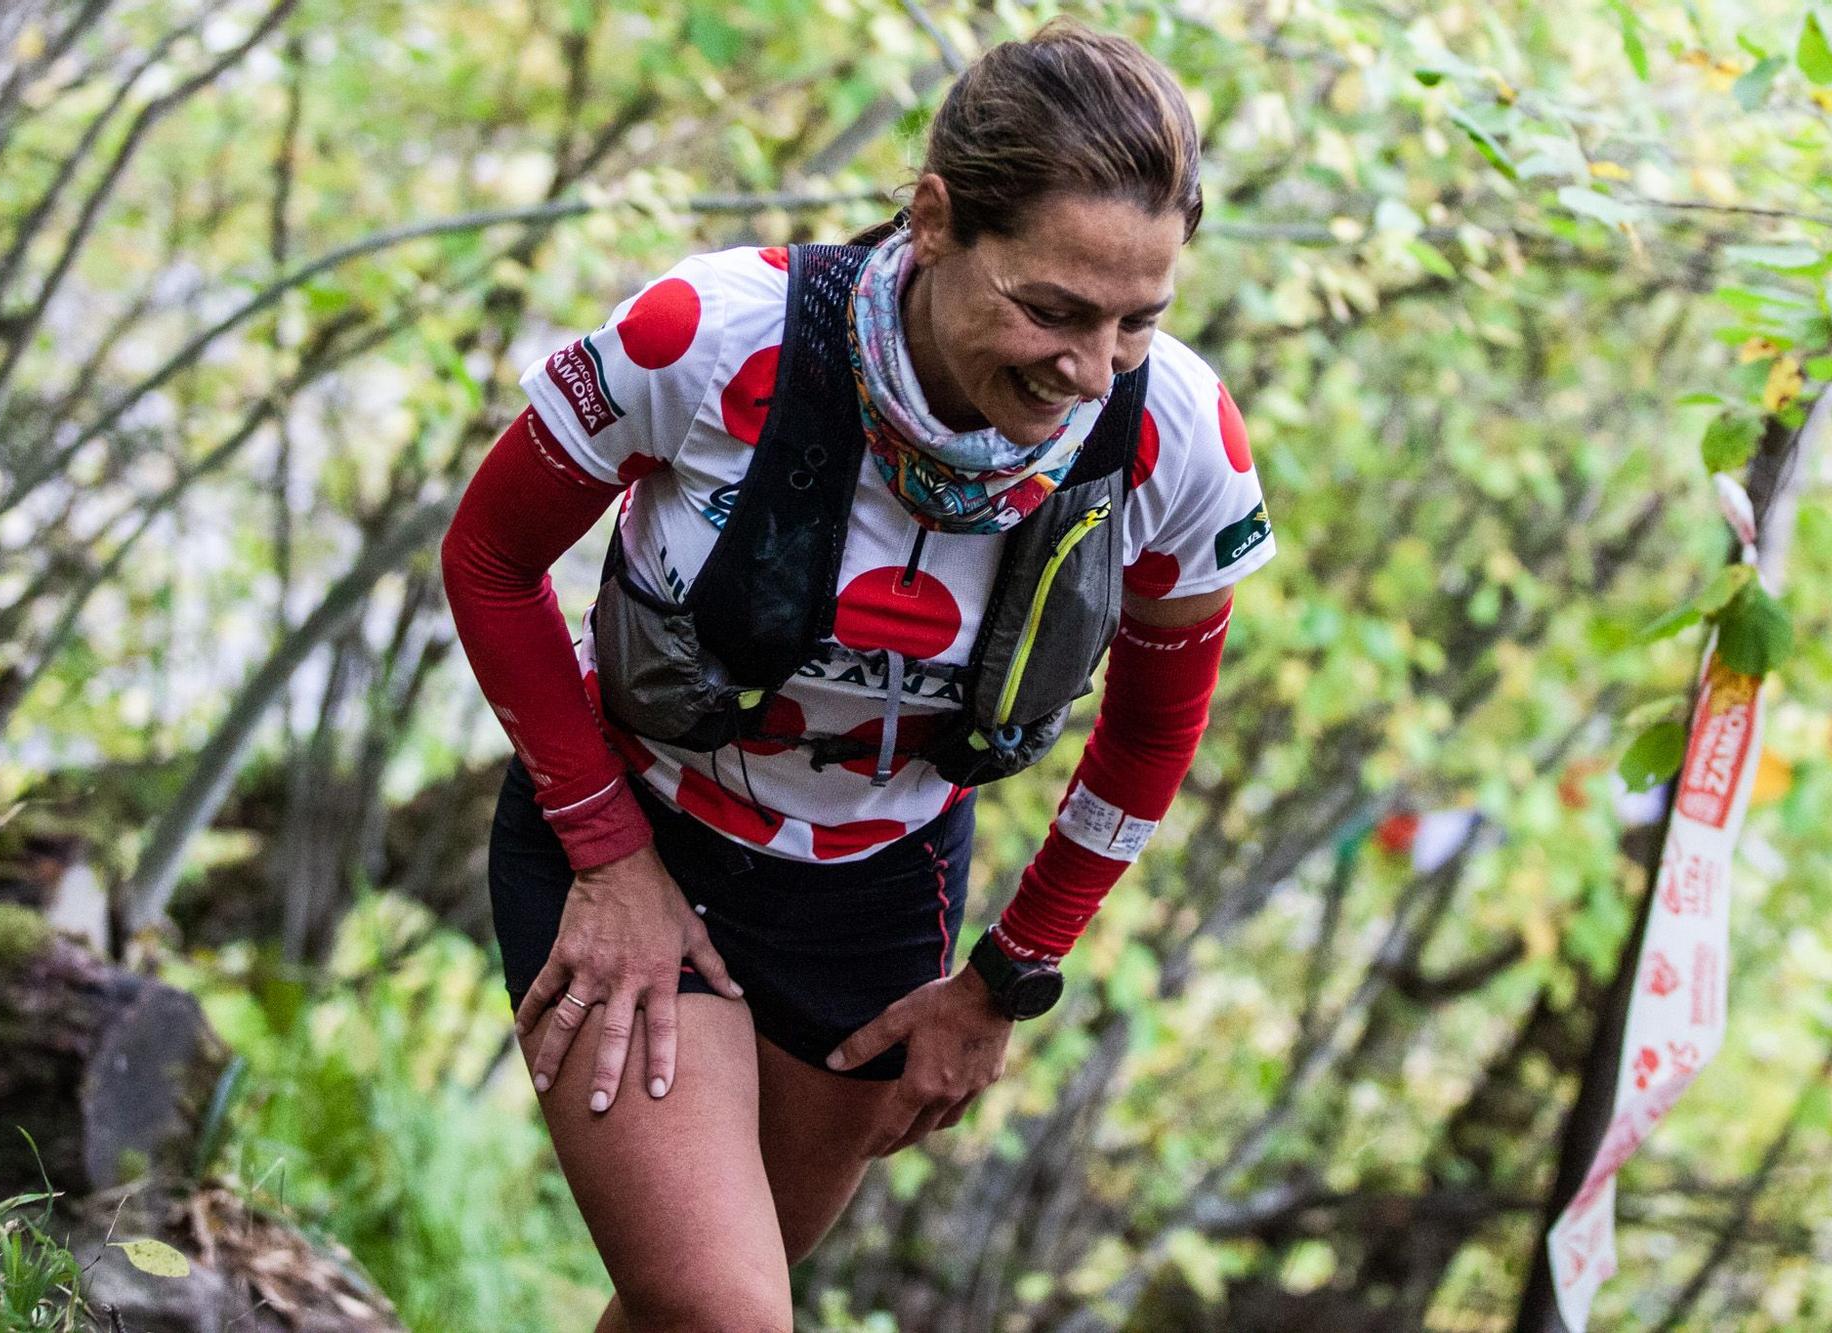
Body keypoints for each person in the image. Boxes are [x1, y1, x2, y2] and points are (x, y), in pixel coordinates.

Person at [440, 18, 1276, 1330]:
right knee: (729, 1314)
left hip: (876, 903)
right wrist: (605, 851)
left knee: (695, 1307)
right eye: (1052, 307)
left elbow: (1150, 740)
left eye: (1138, 319)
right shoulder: (707, 338)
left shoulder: (1175, 439)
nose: (1088, 367)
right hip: (631, 823)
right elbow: (489, 558)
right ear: (936, 219)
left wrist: (1006, 975)